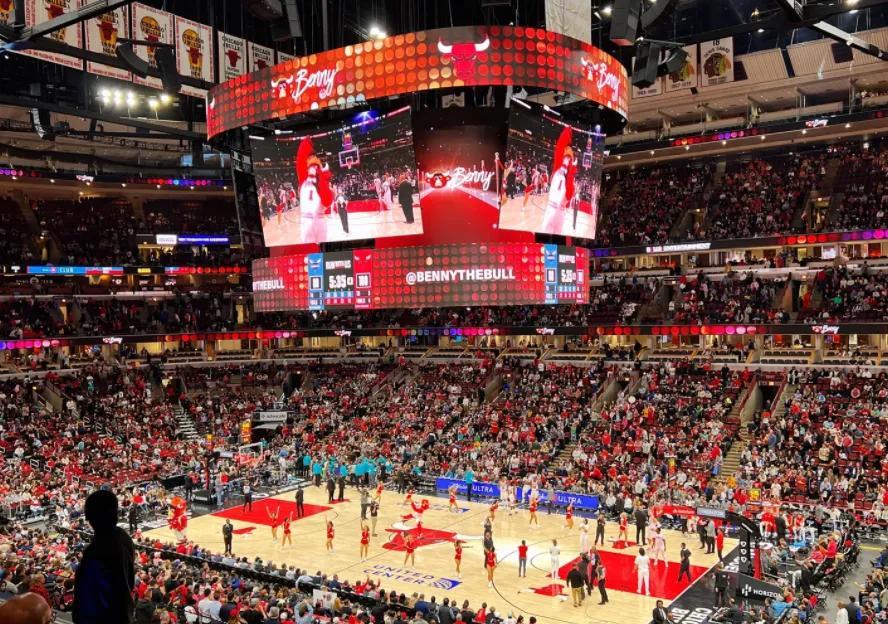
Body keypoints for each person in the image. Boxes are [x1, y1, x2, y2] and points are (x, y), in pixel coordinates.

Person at [72, 490, 135, 624]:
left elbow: (88, 602)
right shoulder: (124, 537)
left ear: (90, 518)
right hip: (123, 613)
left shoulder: (95, 552)